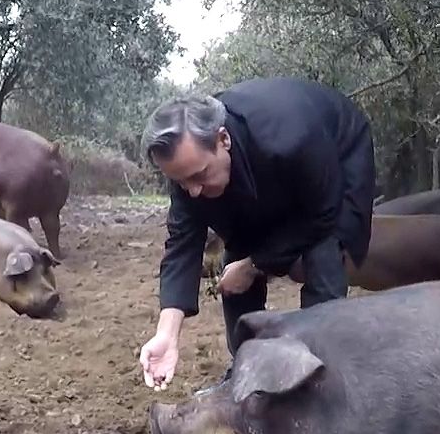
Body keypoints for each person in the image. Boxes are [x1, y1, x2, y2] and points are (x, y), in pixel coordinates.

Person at [136, 76, 376, 390]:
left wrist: (254, 265)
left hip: (335, 157)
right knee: (236, 255)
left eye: (199, 176)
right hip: (264, 170)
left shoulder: (292, 137)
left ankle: (319, 369)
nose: (192, 192)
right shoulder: (189, 169)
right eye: (182, 183)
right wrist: (167, 334)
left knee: (323, 254)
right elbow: (182, 243)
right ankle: (246, 366)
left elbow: (321, 216)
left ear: (223, 139)